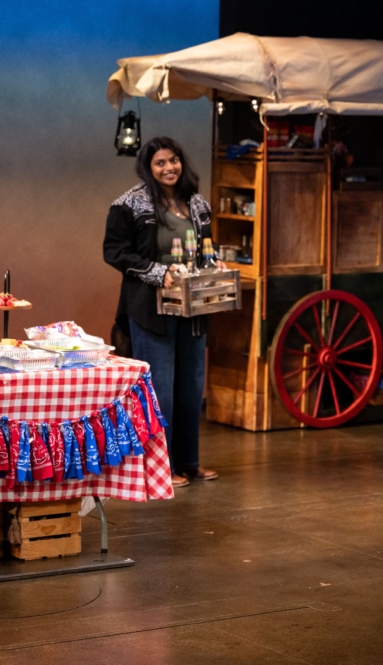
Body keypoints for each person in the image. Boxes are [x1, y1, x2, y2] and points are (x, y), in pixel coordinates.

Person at [103, 136, 219, 488]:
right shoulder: (128, 204)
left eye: (173, 160)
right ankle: (160, 467)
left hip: (192, 309)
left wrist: (213, 266)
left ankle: (189, 462)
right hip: (150, 310)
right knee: (160, 391)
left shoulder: (197, 204)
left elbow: (206, 248)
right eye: (160, 163)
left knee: (190, 387)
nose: (169, 168)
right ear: (148, 168)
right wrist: (159, 273)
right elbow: (115, 252)